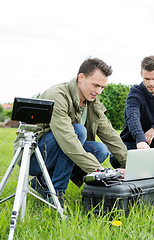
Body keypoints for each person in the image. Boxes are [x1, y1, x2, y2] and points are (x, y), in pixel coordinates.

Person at [15, 57, 127, 206]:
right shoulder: (57, 96)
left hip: (58, 151)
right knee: (79, 131)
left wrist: (131, 165)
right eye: (96, 85)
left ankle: (42, 182)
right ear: (81, 77)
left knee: (100, 150)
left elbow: (110, 134)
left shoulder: (92, 100)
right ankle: (55, 194)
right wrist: (103, 172)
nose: (99, 91)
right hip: (33, 157)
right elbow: (68, 141)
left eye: (102, 87)